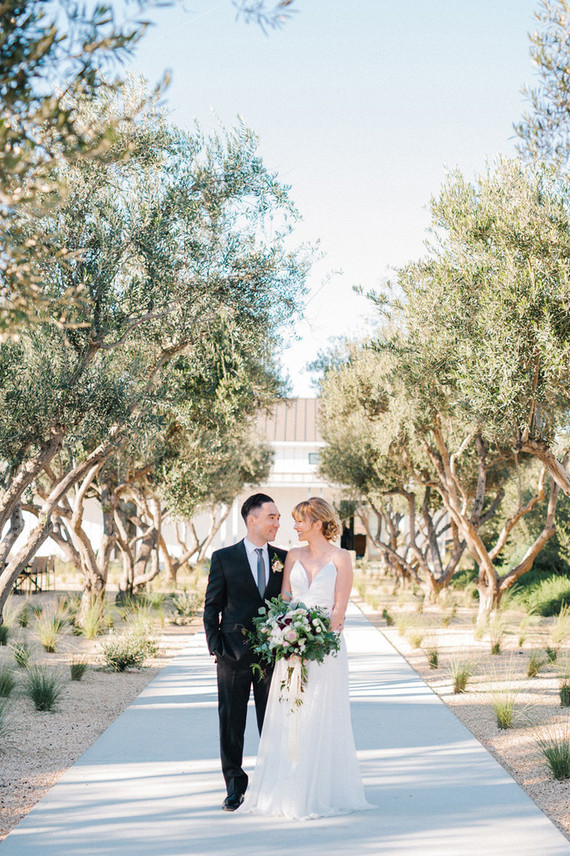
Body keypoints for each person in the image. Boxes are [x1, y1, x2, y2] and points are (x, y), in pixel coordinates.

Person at [240, 496, 373, 820]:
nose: (294, 526)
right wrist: (288, 635)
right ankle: (286, 787)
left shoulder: (342, 558)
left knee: (320, 714)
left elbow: (339, 610)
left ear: (317, 522)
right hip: (290, 649)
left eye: (300, 520)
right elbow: (285, 600)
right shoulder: (293, 556)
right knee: (291, 717)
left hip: (325, 649)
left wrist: (312, 638)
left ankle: (317, 790)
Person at [203, 493, 288, 812]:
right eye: (272, 517)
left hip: (272, 657)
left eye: (278, 518)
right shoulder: (224, 558)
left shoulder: (283, 557)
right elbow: (211, 608)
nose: (277, 523)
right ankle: (234, 787)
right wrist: (217, 649)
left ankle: (273, 783)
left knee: (272, 723)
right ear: (252, 520)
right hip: (232, 656)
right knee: (231, 722)